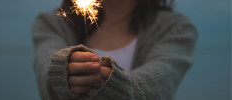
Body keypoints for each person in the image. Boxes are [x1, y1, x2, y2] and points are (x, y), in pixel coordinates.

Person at [32, 0, 198, 100]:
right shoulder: (53, 23)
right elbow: (46, 66)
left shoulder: (175, 28)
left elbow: (162, 80)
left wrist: (116, 85)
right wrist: (61, 72)